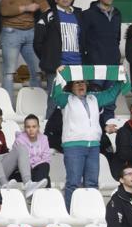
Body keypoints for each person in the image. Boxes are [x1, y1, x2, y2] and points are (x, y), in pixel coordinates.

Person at [53, 76, 125, 205]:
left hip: (93, 145)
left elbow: (111, 95)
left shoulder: (94, 98)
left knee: (92, 183)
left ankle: (91, 212)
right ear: (71, 86)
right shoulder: (66, 99)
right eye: (77, 82)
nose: (81, 85)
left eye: (83, 82)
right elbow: (56, 95)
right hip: (73, 146)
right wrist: (58, 76)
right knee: (73, 183)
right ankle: (71, 213)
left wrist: (119, 78)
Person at [0, 0, 49, 94]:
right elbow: (5, 10)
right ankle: (7, 110)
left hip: (31, 31)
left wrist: (50, 15)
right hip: (10, 32)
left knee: (37, 71)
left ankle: (35, 107)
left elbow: (42, 1)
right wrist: (27, 7)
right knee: (9, 74)